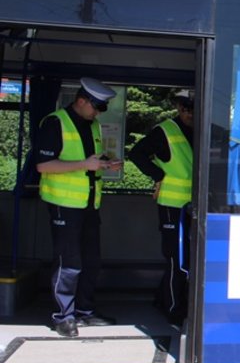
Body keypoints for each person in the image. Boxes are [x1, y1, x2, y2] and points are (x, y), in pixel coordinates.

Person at [36, 77, 123, 338]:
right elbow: (43, 166)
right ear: (81, 100)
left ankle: (85, 311)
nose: (98, 113)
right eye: (96, 107)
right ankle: (63, 316)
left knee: (91, 261)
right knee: (69, 262)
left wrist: (105, 165)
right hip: (64, 204)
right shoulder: (54, 122)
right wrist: (85, 165)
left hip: (88, 204)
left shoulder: (91, 124)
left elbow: (89, 161)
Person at [128, 89, 194, 325]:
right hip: (173, 205)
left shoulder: (204, 129)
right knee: (177, 260)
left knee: (188, 260)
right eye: (185, 108)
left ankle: (163, 299)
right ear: (178, 107)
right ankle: (174, 310)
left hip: (194, 207)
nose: (189, 113)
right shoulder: (165, 131)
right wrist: (158, 175)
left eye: (193, 108)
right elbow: (136, 154)